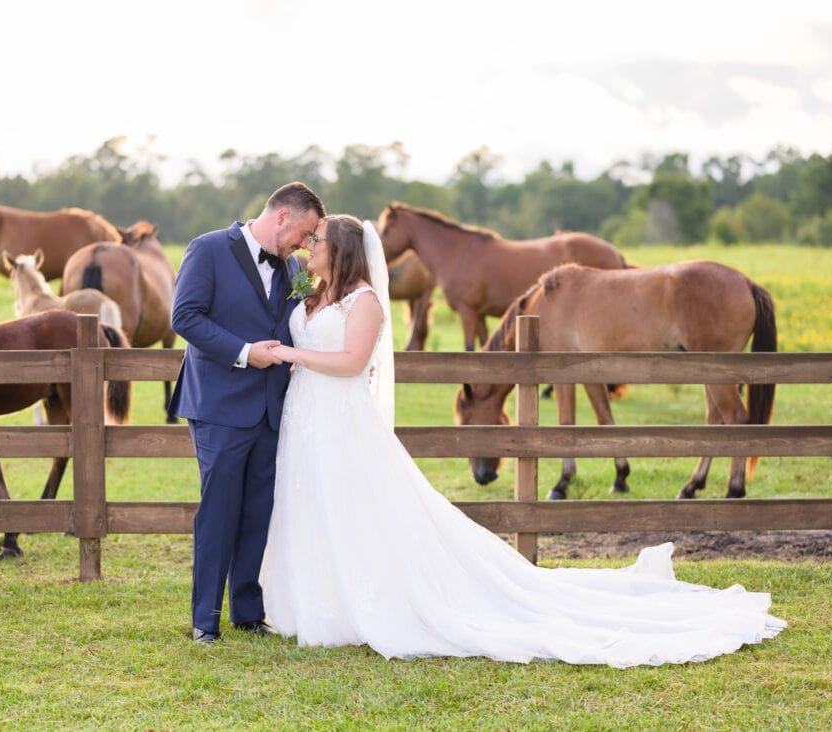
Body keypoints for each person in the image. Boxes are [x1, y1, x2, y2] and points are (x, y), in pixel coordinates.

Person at [260, 213, 786, 666]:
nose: (309, 246)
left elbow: (353, 361)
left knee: (726, 406)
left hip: (334, 412)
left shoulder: (364, 301)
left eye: (319, 240)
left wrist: (291, 356)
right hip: (310, 420)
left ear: (343, 251)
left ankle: (728, 471)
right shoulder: (314, 291)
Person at [169, 182, 325, 643]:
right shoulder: (208, 249)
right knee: (218, 511)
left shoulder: (292, 266)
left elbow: (296, 322)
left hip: (273, 408)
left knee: (260, 510)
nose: (306, 243)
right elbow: (185, 317)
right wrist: (243, 352)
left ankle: (247, 611)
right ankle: (204, 621)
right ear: (281, 216)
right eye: (305, 232)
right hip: (219, 405)